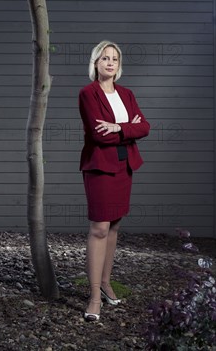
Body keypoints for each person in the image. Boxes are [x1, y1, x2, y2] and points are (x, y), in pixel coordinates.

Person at [78, 40, 150, 321]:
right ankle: (94, 295)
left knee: (115, 226)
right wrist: (128, 128)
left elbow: (145, 126)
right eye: (105, 58)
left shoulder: (127, 94)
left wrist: (119, 127)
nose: (110, 62)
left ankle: (107, 283)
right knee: (99, 228)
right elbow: (98, 135)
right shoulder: (88, 93)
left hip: (125, 164)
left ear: (119, 66)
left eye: (115, 59)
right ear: (96, 62)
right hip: (100, 167)